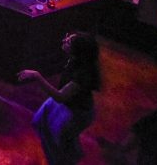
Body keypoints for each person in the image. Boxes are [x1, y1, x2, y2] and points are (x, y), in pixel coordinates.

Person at [18, 32, 101, 165]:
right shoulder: (75, 60)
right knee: (41, 123)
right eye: (68, 37)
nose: (64, 40)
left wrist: (37, 76)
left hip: (77, 113)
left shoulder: (82, 75)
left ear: (77, 51)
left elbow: (60, 96)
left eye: (69, 42)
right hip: (69, 104)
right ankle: (73, 153)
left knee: (58, 140)